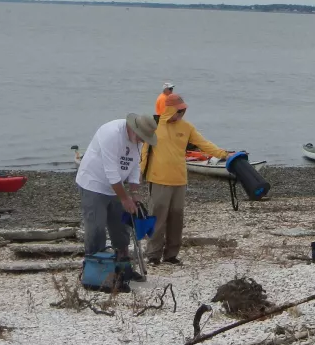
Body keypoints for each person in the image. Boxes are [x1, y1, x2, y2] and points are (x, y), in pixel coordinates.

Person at [140, 93, 232, 265]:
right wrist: (139, 174)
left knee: (176, 219)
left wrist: (224, 155)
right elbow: (144, 151)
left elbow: (204, 144)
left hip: (179, 181)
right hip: (158, 180)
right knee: (157, 219)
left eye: (183, 110)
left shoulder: (187, 127)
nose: (182, 114)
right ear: (169, 109)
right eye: (179, 111)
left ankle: (171, 255)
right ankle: (153, 255)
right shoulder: (155, 126)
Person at [75, 113, 158, 278]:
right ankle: (95, 272)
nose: (142, 141)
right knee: (96, 229)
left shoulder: (137, 141)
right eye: (142, 137)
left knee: (121, 228)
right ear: (134, 129)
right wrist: (125, 198)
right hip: (93, 184)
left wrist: (134, 193)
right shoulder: (111, 134)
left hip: (116, 187)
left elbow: (135, 166)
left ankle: (123, 268)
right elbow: (111, 171)